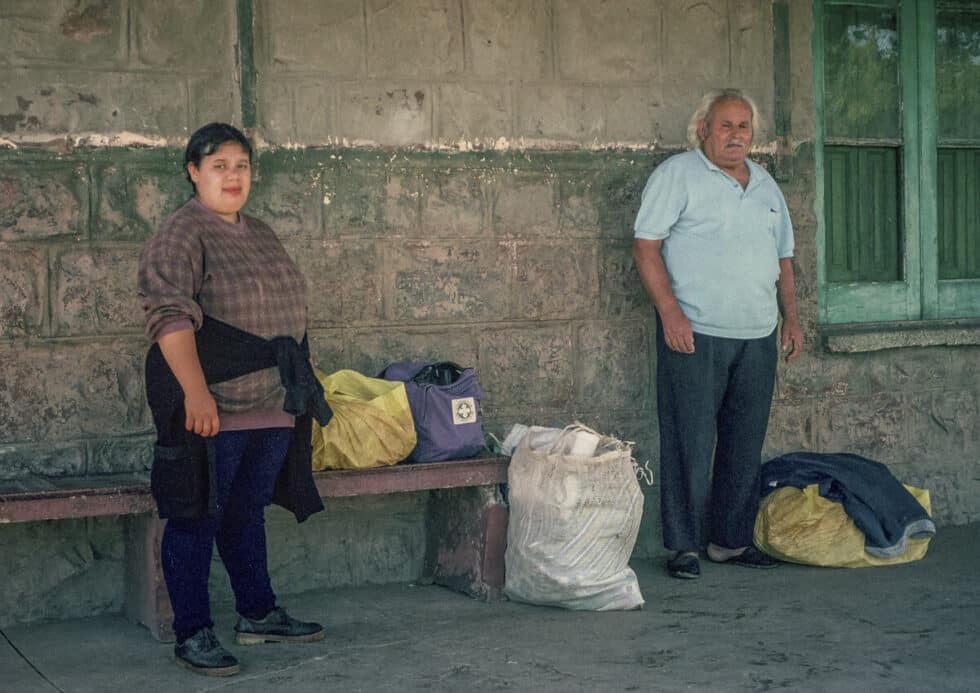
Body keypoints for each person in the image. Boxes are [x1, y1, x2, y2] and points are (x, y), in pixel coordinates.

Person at [138, 122, 331, 676]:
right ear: (193, 171)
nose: (232, 176)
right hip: (213, 403)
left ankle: (257, 613)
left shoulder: (262, 231)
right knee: (195, 515)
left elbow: (287, 307)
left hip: (271, 403)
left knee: (245, 514)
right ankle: (192, 632)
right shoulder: (182, 233)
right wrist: (196, 394)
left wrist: (303, 369)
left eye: (241, 165)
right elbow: (169, 315)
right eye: (218, 165)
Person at [632, 89, 803, 580]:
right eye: (724, 125)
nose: (735, 135)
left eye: (743, 126)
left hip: (757, 335)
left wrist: (790, 318)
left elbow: (784, 259)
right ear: (703, 129)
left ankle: (728, 541)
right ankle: (684, 546)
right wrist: (670, 313)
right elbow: (646, 247)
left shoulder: (766, 186)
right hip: (695, 332)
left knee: (743, 442)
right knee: (689, 438)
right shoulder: (677, 175)